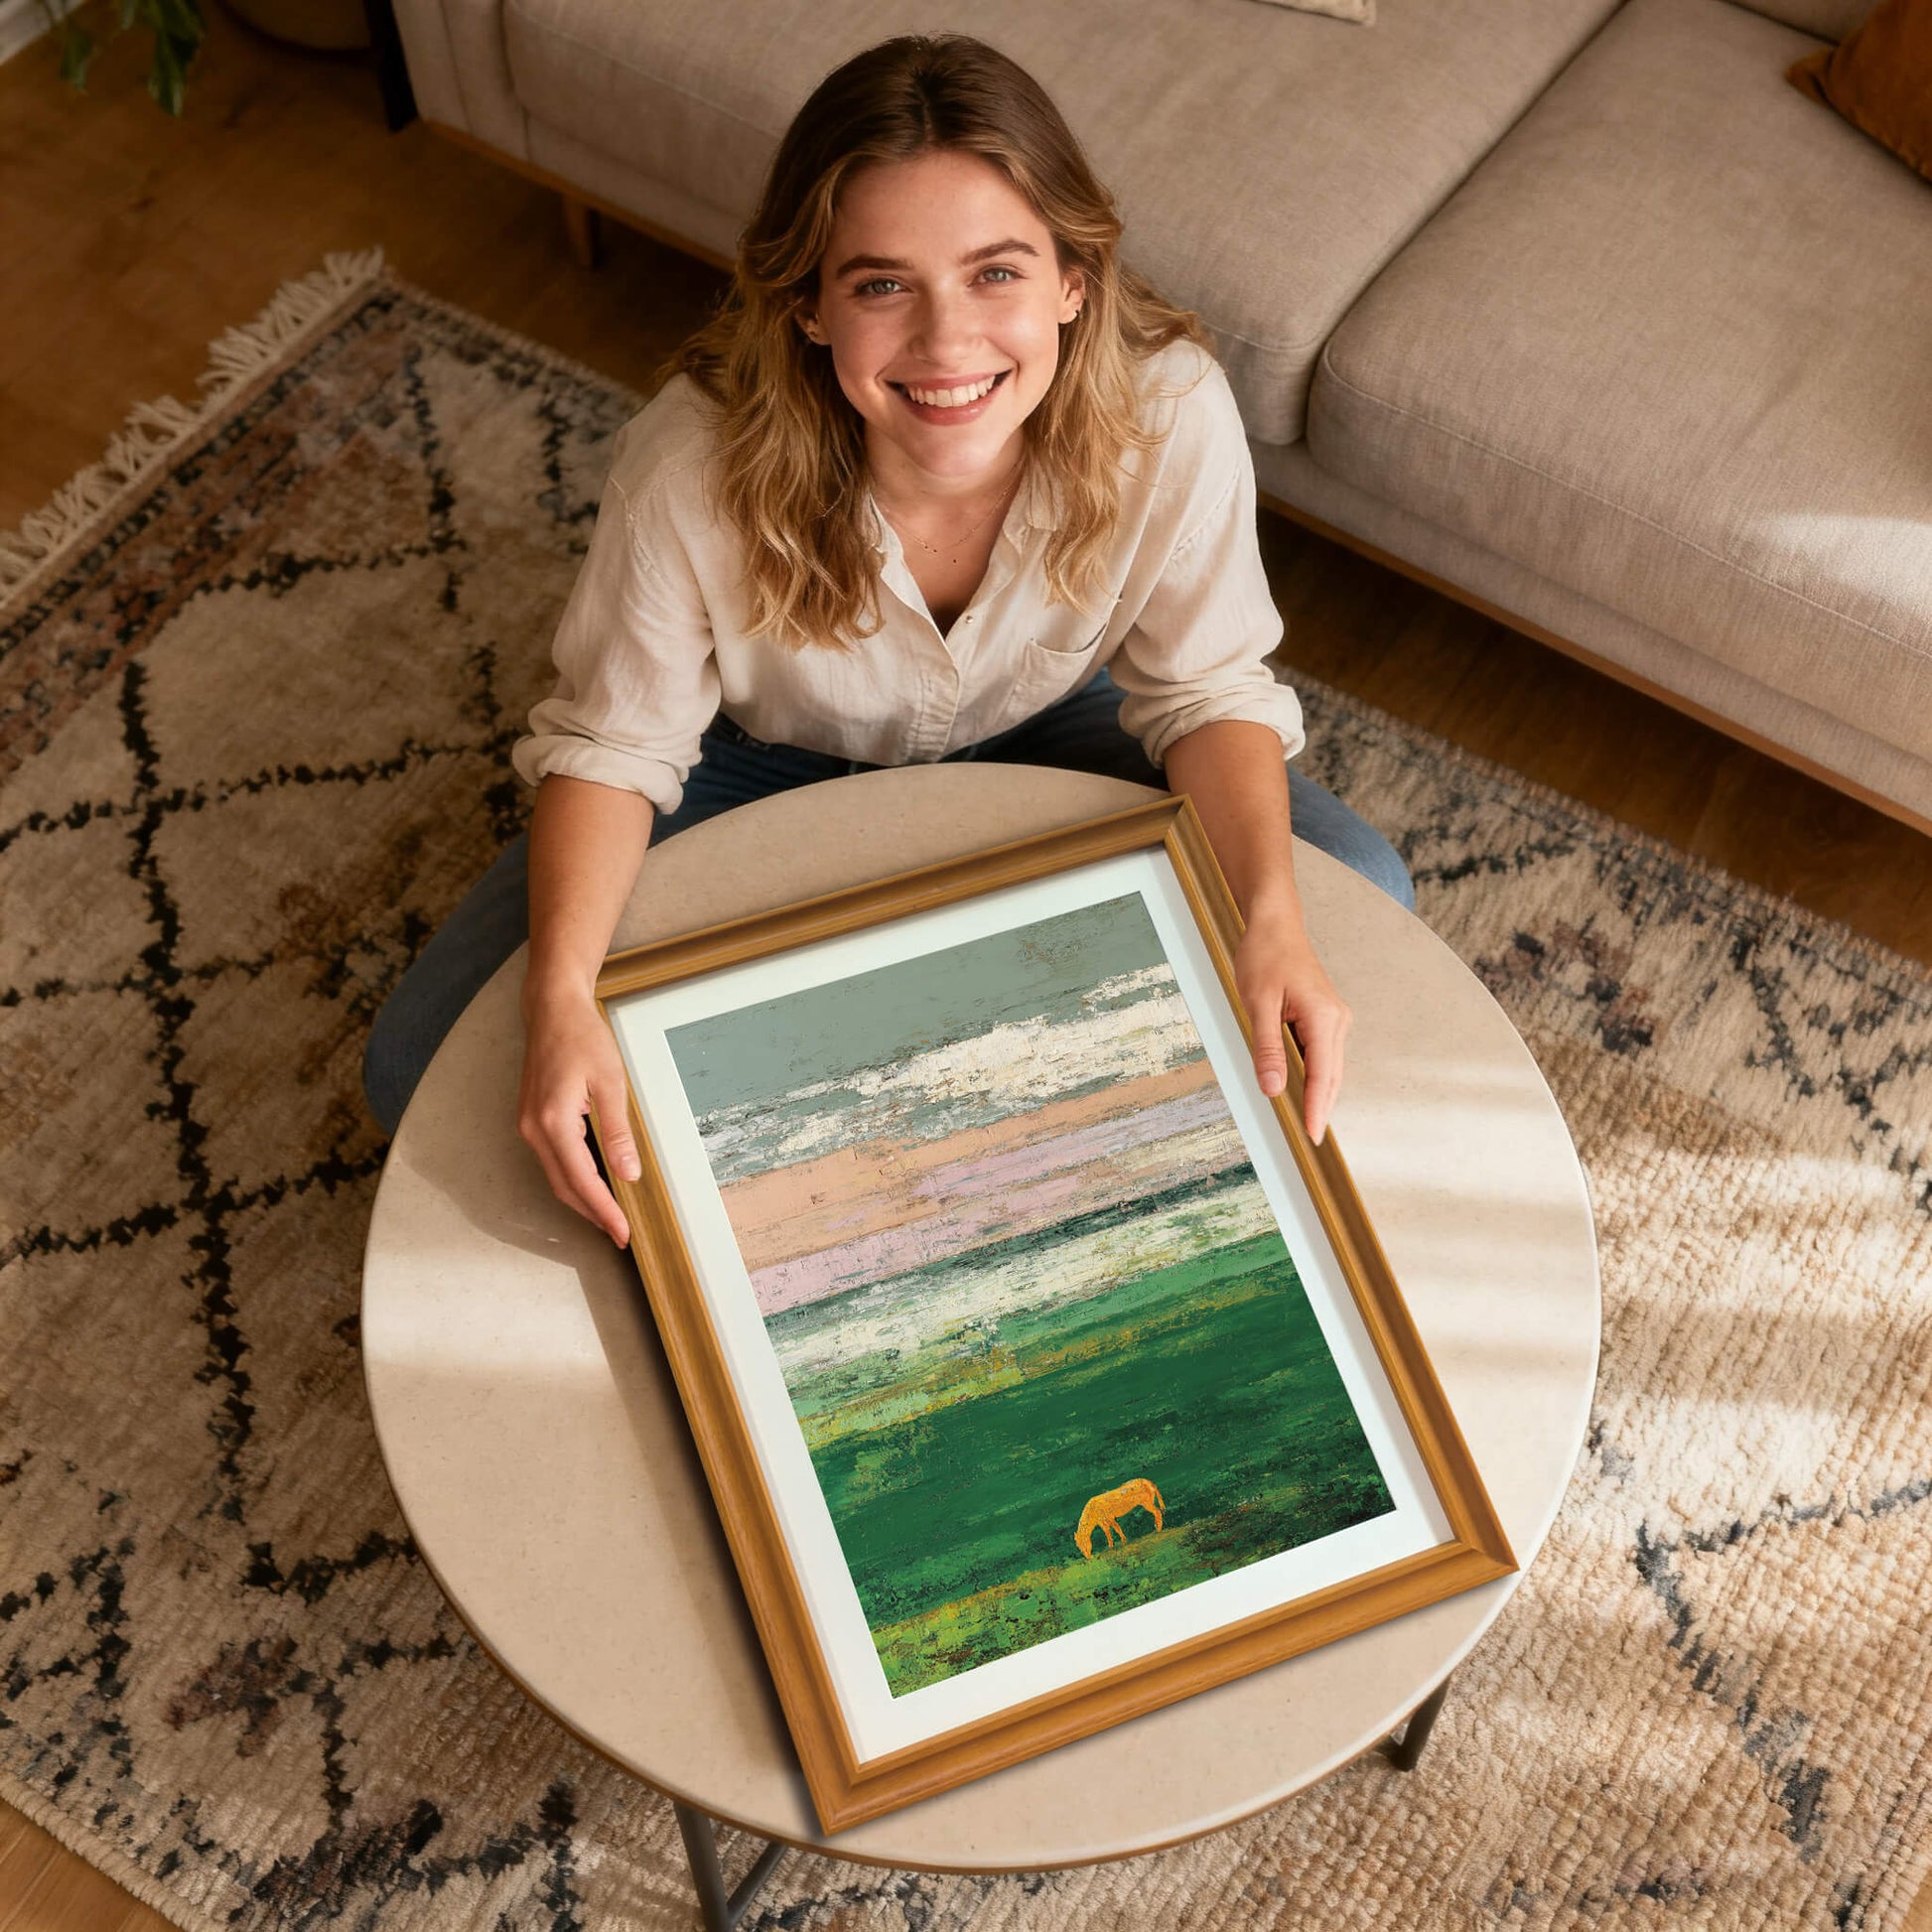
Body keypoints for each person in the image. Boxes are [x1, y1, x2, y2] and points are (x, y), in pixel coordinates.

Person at [361, 33, 1414, 1245]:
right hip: (746, 762)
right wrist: (560, 1001)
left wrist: (1269, 912)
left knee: (1353, 891)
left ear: (1073, 279)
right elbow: (612, 748)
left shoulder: (1170, 412)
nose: (945, 343)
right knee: (420, 1066)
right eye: (880, 285)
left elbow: (1203, 687)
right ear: (807, 304)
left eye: (995, 273)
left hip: (1046, 731)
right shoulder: (686, 472)